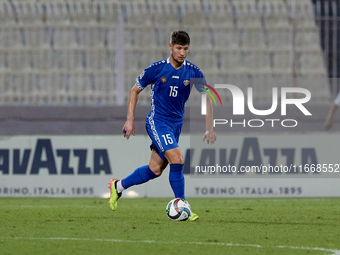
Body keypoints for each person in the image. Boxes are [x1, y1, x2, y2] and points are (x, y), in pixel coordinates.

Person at [108, 30, 216, 221]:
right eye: (178, 48)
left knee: (155, 170)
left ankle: (118, 186)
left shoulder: (193, 72)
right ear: (170, 47)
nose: (182, 52)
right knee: (178, 158)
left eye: (185, 49)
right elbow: (134, 91)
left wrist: (209, 127)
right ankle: (182, 206)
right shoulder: (157, 69)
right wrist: (130, 119)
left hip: (175, 125)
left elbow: (208, 97)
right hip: (158, 121)